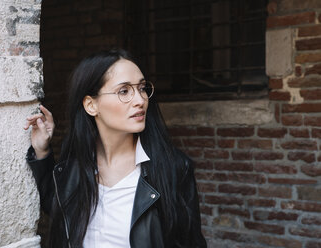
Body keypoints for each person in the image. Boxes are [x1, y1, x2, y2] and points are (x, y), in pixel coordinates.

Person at [24, 49, 207, 248]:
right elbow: (58, 209)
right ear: (91, 105)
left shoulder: (174, 168)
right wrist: (42, 151)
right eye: (124, 91)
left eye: (142, 88)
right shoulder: (74, 168)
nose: (140, 100)